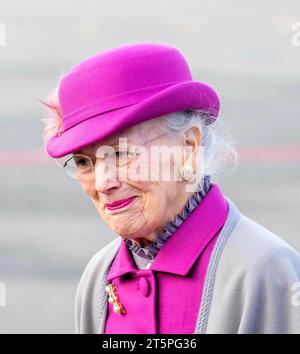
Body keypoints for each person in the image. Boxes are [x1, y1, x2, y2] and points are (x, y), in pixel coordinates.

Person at [40, 42, 300, 334]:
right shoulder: (99, 277)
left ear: (188, 146)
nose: (102, 183)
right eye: (84, 162)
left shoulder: (264, 271)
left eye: (122, 153)